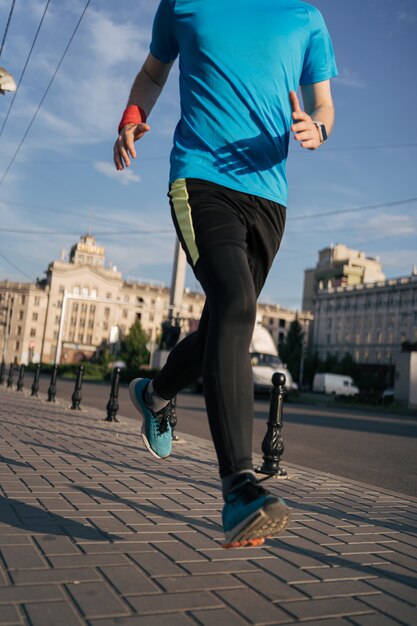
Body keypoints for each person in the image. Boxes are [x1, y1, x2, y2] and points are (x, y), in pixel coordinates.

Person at [113, 0, 337, 548]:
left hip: (269, 199)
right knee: (237, 304)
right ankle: (239, 487)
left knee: (223, 324)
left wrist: (318, 129)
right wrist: (132, 116)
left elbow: (324, 104)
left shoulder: (304, 17)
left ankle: (156, 394)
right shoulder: (184, 4)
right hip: (200, 178)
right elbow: (152, 71)